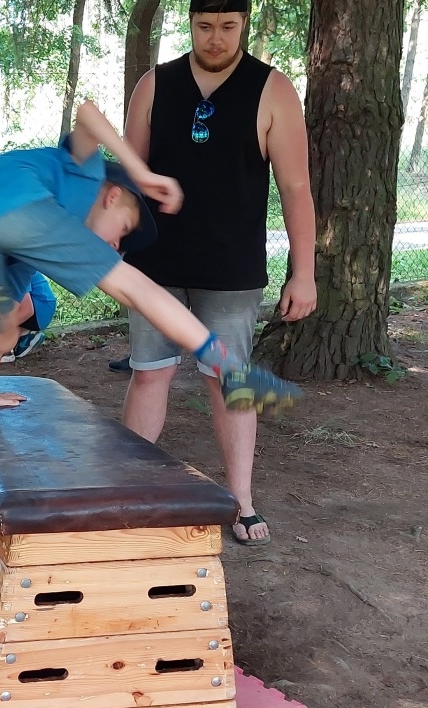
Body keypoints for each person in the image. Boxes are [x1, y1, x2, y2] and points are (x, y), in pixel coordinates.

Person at [0, 99, 300, 412]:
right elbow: (87, 112)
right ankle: (232, 371)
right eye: (123, 229)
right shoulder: (83, 171)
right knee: (136, 287)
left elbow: (15, 303)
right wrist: (140, 172)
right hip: (16, 203)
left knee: (1, 336)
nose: (115, 245)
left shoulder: (27, 253)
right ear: (112, 197)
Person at [119, 0, 318, 545]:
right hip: (155, 262)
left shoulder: (273, 90)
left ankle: (240, 501)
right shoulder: (154, 85)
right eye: (204, 26)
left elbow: (296, 188)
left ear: (243, 25)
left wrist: (304, 273)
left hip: (232, 268)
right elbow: (129, 175)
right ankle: (126, 494)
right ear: (190, 24)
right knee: (149, 373)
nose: (215, 38)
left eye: (227, 27)